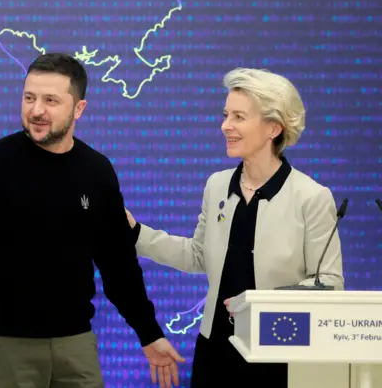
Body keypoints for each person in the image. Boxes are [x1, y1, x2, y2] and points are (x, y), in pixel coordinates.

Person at [0, 53, 185, 388]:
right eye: (29, 98)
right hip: (4, 348)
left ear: (78, 109)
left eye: (51, 100)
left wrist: (149, 333)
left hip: (76, 348)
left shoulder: (96, 172)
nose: (37, 110)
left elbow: (119, 265)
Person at [124, 68, 345, 388]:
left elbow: (329, 282)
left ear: (273, 127)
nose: (226, 125)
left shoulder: (311, 197)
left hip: (278, 352)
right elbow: (198, 255)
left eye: (239, 117)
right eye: (226, 115)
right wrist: (135, 233)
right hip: (215, 350)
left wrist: (261, 303)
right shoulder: (217, 186)